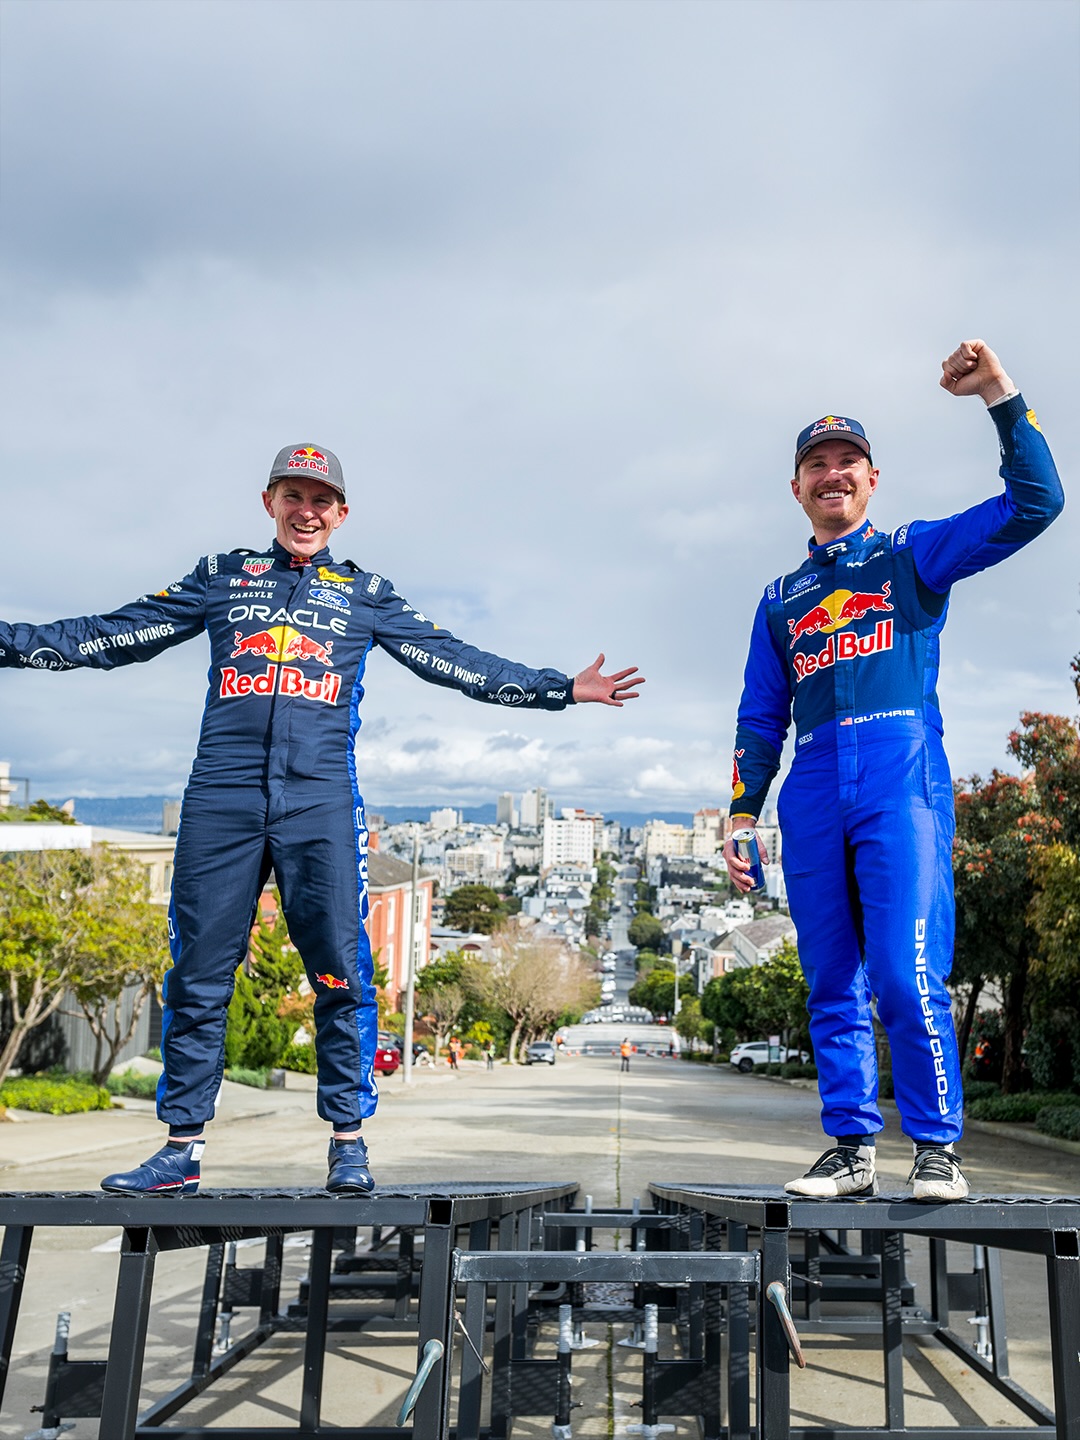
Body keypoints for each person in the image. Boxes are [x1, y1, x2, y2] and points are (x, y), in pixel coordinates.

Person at [0, 443, 644, 1197]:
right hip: (221, 797)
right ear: (269, 502)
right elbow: (112, 634)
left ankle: (347, 1144)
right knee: (198, 976)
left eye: (320, 500)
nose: (306, 511)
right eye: (293, 496)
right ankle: (180, 1150)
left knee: (341, 970)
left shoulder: (365, 592)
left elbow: (454, 660)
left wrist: (558, 688)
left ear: (341, 513)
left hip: (321, 799)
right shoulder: (222, 576)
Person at [723, 341, 1063, 1203]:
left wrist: (998, 394)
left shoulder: (912, 556)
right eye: (816, 465)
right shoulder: (780, 599)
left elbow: (1036, 503)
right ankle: (850, 1149)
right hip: (810, 787)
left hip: (899, 773)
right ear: (796, 488)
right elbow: (760, 717)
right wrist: (742, 812)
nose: (831, 474)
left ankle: (937, 1148)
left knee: (907, 977)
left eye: (847, 462)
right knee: (830, 982)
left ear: (872, 479)